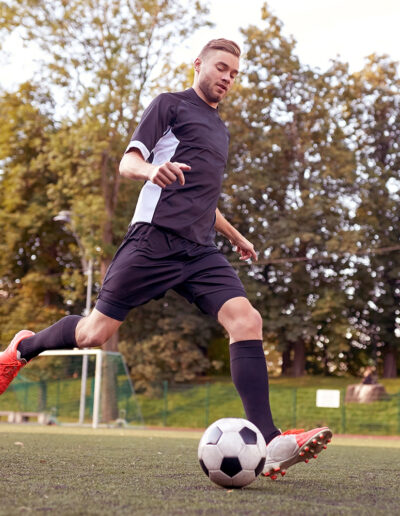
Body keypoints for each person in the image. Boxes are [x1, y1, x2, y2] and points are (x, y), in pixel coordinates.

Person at [0, 38, 331, 479]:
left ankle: (269, 441)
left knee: (246, 320)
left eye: (234, 73)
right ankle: (23, 348)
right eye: (221, 68)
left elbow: (202, 199)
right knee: (94, 333)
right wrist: (151, 170)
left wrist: (235, 236)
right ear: (198, 65)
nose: (227, 78)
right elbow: (129, 161)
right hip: (153, 240)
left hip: (200, 251)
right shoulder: (169, 105)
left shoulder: (220, 129)